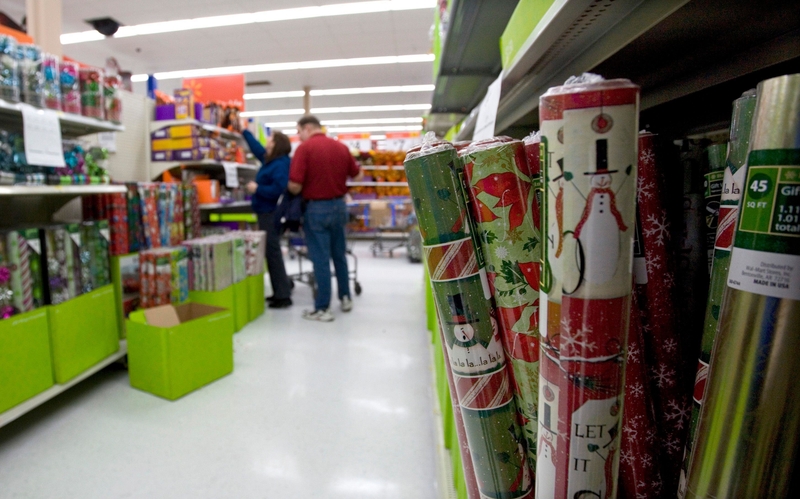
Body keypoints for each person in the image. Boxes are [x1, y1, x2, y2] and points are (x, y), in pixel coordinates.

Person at [288, 115, 360, 322]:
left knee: (320, 259)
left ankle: (322, 308)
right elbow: (357, 175)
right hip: (339, 206)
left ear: (307, 128)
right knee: (339, 254)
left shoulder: (304, 149)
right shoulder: (341, 147)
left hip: (316, 209)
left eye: (298, 131)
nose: (298, 136)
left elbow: (295, 185)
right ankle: (345, 297)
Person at [244, 129, 293, 308]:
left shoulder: (280, 164)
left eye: (270, 140)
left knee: (272, 253)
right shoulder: (272, 160)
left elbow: (277, 190)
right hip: (266, 212)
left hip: (271, 213)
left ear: (277, 145)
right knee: (271, 252)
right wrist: (244, 132)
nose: (267, 143)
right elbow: (258, 149)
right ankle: (281, 290)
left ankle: (283, 295)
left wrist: (257, 189)